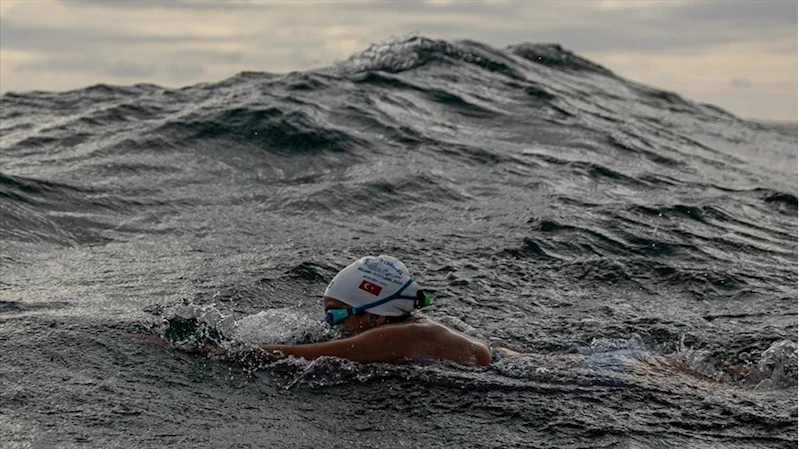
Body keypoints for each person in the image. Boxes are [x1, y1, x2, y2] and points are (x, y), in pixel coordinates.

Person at [191, 255, 512, 367]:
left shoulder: (402, 336)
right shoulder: (415, 328)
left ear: (375, 315)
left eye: (335, 314)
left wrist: (203, 352)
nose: (329, 323)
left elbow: (302, 355)